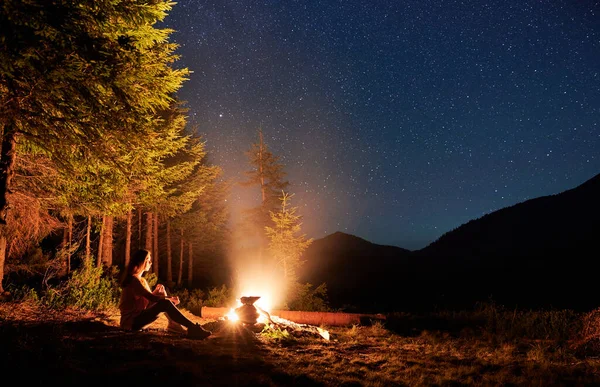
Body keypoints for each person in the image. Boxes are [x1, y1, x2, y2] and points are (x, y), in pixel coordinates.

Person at [119, 249, 211, 340]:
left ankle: (173, 324)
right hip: (131, 323)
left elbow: (148, 300)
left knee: (161, 291)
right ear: (141, 262)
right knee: (165, 303)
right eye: (147, 259)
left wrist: (159, 292)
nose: (150, 262)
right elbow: (153, 299)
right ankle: (192, 328)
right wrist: (169, 299)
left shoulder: (141, 280)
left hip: (138, 318)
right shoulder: (133, 280)